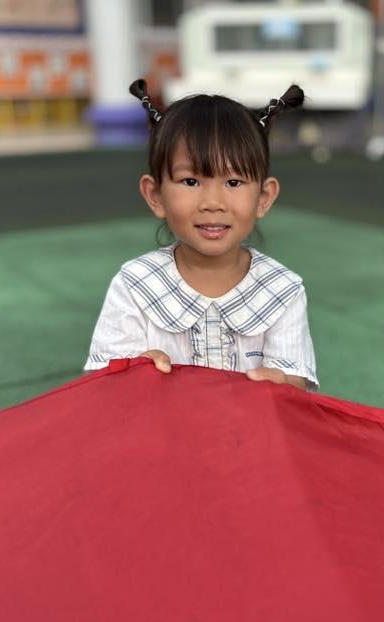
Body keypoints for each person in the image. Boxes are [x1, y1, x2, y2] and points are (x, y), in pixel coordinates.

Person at [83, 79, 318, 390]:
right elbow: (101, 387)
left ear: (263, 198)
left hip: (248, 424)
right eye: (191, 181)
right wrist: (133, 371)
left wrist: (284, 383)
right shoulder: (135, 284)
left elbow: (295, 385)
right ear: (155, 195)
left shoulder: (282, 290)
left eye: (233, 182)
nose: (212, 203)